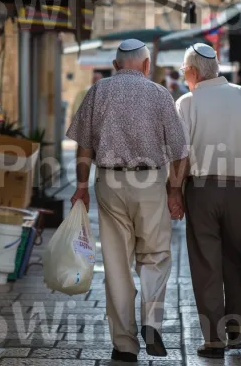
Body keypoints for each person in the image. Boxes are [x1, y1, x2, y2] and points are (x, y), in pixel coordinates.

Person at [66, 39, 188, 363]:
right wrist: (175, 192)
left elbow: (84, 147)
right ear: (146, 66)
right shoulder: (161, 94)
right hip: (150, 182)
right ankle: (151, 322)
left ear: (116, 64)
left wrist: (81, 186)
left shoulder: (98, 91)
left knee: (117, 264)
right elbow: (180, 152)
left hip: (109, 181)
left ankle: (124, 346)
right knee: (156, 254)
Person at [174, 44, 241, 359]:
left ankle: (214, 340)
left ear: (192, 72)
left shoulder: (187, 102)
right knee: (236, 260)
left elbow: (182, 156)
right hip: (239, 191)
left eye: (184, 72)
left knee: (206, 265)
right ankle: (237, 333)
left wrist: (174, 192)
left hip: (202, 191)